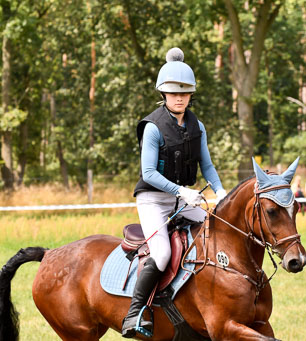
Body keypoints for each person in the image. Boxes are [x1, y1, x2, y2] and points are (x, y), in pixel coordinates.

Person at [122, 48, 227, 338]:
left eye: (184, 93)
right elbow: (149, 174)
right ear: (163, 94)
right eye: (172, 93)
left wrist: (221, 192)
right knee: (163, 252)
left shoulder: (197, 126)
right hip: (153, 200)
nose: (179, 98)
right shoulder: (153, 127)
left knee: (213, 233)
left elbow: (206, 164)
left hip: (183, 200)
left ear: (191, 94)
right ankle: (134, 314)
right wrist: (183, 190)